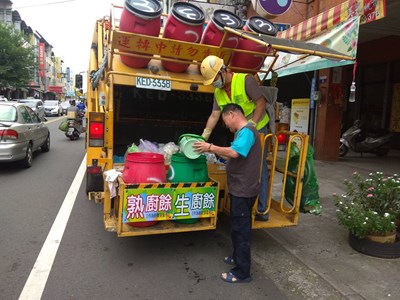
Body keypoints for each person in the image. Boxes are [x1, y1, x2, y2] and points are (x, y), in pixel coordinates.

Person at [193, 103, 261, 283]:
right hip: (241, 187)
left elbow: (234, 152)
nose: (227, 126)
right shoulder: (244, 133)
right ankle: (237, 256)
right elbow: (234, 155)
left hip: (244, 189)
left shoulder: (247, 131)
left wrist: (210, 148)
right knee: (238, 226)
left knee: (241, 230)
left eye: (226, 121)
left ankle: (242, 272)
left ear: (232, 114)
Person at [200, 55, 270, 221]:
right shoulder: (218, 91)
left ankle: (262, 209)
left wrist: (252, 123)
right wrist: (204, 136)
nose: (214, 83)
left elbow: (261, 102)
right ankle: (241, 201)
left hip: (258, 127)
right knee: (238, 161)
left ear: (223, 71)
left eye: (215, 78)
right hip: (240, 131)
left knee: (258, 167)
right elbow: (214, 115)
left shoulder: (245, 80)